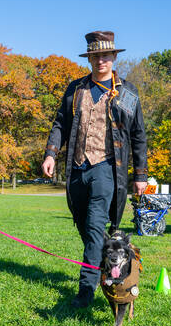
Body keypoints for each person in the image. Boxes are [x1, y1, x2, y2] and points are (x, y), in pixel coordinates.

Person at [41, 31, 148, 309]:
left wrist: (140, 175)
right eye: (95, 56)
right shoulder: (76, 89)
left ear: (114, 57)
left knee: (94, 226)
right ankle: (111, 263)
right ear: (89, 58)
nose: (100, 60)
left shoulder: (127, 92)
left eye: (105, 55)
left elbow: (138, 136)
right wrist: (51, 153)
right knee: (84, 226)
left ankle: (86, 290)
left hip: (106, 170)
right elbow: (60, 124)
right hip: (77, 169)